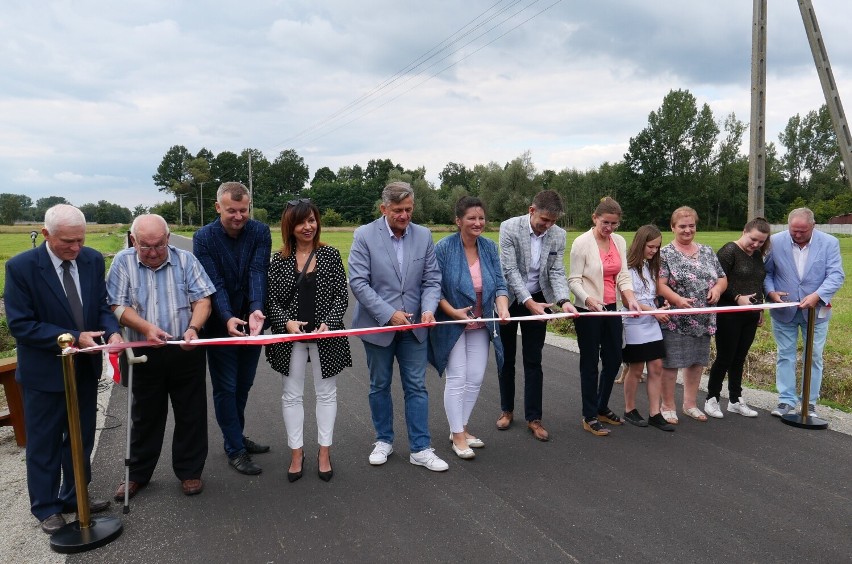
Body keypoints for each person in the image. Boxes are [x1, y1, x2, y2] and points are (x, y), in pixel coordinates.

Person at [5, 204, 121, 534]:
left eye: (81, 241)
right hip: (45, 373)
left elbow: (101, 305)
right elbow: (21, 324)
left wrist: (111, 330)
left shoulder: (92, 260)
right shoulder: (21, 267)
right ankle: (46, 507)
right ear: (46, 235)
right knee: (44, 442)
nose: (76, 249)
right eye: (68, 242)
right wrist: (70, 338)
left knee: (81, 438)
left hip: (83, 370)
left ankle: (74, 496)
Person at [107, 214, 215, 501]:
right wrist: (145, 327)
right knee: (145, 415)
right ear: (133, 240)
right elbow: (117, 304)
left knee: (191, 411)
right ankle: (137, 474)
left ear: (168, 239)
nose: (153, 253)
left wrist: (194, 328)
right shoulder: (122, 261)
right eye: (145, 246)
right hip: (143, 349)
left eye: (158, 245)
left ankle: (190, 471)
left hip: (184, 347)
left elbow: (203, 299)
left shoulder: (186, 260)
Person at [349, 181, 448, 472]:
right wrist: (389, 314)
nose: (404, 216)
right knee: (379, 384)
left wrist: (429, 309)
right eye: (397, 210)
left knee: (417, 386)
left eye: (408, 209)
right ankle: (384, 440)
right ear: (384, 209)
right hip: (377, 325)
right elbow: (358, 282)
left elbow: (431, 280)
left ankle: (420, 448)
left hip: (415, 327)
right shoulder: (364, 235)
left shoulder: (424, 235)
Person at [266, 199, 352, 482]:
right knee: (292, 396)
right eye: (301, 222)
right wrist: (286, 324)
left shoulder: (330, 255)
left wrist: (329, 322)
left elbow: (342, 294)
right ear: (290, 226)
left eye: (312, 220)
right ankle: (296, 452)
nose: (308, 227)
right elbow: (271, 301)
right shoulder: (278, 261)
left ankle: (324, 452)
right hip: (290, 340)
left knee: (326, 394)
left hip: (325, 338)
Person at [194, 182, 272, 475]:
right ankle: (235, 450)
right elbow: (214, 282)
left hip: (252, 322)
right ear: (218, 208)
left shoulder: (260, 232)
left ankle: (235, 435)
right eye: (231, 211)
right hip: (218, 324)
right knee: (226, 387)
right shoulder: (204, 238)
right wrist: (227, 316)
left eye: (243, 210)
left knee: (244, 384)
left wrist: (255, 308)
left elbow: (257, 271)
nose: (238, 216)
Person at [429, 197, 510, 459]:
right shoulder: (443, 248)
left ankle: (460, 429)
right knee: (457, 378)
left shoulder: (488, 247)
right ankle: (458, 435)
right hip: (452, 322)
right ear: (458, 221)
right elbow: (433, 287)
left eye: (481, 218)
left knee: (475, 377)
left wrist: (503, 307)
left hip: (481, 322)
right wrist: (453, 312)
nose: (478, 223)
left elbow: (499, 284)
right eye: (471, 218)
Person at [497, 190, 577, 442]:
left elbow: (556, 270)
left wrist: (564, 301)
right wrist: (527, 302)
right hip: (508, 300)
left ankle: (534, 418)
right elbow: (509, 270)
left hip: (540, 300)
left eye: (553, 221)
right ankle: (506, 410)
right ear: (532, 211)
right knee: (506, 358)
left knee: (533, 360)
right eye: (544, 220)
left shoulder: (558, 235)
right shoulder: (509, 228)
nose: (548, 226)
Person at [568, 197, 642, 436]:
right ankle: (589, 415)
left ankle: (601, 407)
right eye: (605, 222)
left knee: (613, 359)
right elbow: (574, 280)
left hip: (612, 308)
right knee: (590, 363)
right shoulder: (581, 243)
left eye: (614, 224)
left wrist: (630, 298)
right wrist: (588, 300)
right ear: (595, 218)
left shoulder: (619, 242)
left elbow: (623, 276)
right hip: (589, 310)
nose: (609, 228)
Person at [765, 208, 845, 417]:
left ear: (813, 226)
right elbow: (767, 273)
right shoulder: (775, 241)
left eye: (803, 231)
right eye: (794, 231)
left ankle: (808, 402)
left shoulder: (829, 243)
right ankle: (785, 400)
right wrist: (771, 292)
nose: (798, 235)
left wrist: (817, 296)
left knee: (815, 356)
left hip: (816, 311)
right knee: (785, 355)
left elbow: (836, 275)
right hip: (784, 310)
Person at [657, 207, 727, 423]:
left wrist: (717, 290)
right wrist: (677, 300)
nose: (687, 230)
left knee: (696, 362)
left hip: (704, 318)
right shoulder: (665, 254)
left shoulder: (707, 251)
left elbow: (722, 278)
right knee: (671, 363)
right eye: (682, 226)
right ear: (673, 227)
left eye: (691, 226)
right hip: (676, 319)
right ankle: (667, 405)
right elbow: (660, 285)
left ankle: (690, 404)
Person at [704, 218, 771, 419]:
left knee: (739, 358)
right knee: (725, 357)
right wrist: (736, 298)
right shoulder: (729, 251)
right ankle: (712, 398)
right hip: (729, 313)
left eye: (761, 242)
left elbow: (758, 281)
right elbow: (716, 281)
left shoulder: (757, 255)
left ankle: (735, 399)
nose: (756, 244)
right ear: (744, 231)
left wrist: (760, 308)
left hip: (750, 315)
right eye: (753, 239)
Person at [620, 224, 673, 431]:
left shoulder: (651, 267)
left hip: (651, 320)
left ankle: (655, 413)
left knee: (656, 366)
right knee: (636, 368)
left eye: (657, 247)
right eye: (651, 247)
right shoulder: (627, 267)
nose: (654, 251)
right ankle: (629, 409)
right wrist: (653, 311)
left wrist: (660, 305)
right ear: (641, 243)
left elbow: (651, 296)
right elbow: (627, 301)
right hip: (633, 322)